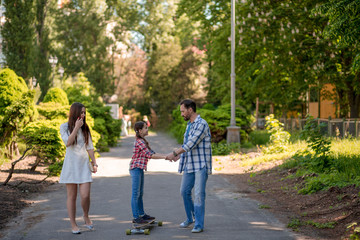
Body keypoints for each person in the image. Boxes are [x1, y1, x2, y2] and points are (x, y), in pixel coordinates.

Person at [166, 99, 212, 233]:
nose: (181, 114)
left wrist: (174, 152)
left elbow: (191, 144)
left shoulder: (201, 124)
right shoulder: (189, 125)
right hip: (189, 164)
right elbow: (187, 146)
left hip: (200, 165)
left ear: (190, 109)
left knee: (198, 194)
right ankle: (191, 218)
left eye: (183, 111)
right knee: (184, 191)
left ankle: (199, 224)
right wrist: (179, 156)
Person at [59, 102, 98, 234]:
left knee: (85, 195)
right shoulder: (64, 127)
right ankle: (74, 224)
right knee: (72, 196)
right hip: (70, 166)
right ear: (74, 113)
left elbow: (90, 147)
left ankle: (86, 215)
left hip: (83, 166)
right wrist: (76, 128)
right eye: (81, 112)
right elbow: (68, 142)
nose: (83, 115)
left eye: (84, 113)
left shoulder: (86, 128)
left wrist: (94, 163)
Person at [130, 121, 176, 224]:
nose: (147, 129)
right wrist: (166, 157)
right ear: (140, 130)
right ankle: (136, 217)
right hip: (136, 169)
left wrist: (166, 155)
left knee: (140, 193)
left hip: (139, 169)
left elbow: (152, 153)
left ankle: (142, 215)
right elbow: (149, 155)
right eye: (145, 128)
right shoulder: (139, 142)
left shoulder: (142, 140)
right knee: (135, 194)